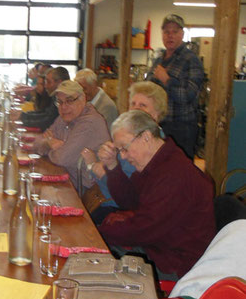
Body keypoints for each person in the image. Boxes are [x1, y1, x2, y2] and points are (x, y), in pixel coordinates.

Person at [97, 110, 215, 279]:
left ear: (146, 137)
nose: (122, 156)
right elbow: (129, 202)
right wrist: (112, 166)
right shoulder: (158, 164)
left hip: (176, 264)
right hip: (159, 247)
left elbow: (143, 230)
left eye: (124, 148)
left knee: (99, 258)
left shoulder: (174, 174)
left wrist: (99, 233)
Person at [80, 81, 168, 224]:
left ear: (156, 114)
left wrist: (94, 167)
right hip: (105, 203)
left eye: (142, 105)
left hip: (121, 212)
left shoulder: (151, 146)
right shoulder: (129, 137)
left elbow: (121, 193)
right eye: (133, 104)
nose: (135, 109)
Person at [32, 80, 110, 191]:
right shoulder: (65, 117)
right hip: (69, 181)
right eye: (60, 102)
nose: (63, 107)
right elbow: (36, 145)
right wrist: (49, 142)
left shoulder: (89, 122)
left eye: (69, 101)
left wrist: (51, 147)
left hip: (88, 193)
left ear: (83, 99)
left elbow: (62, 158)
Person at [147, 14, 205, 159]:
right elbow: (150, 89)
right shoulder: (159, 59)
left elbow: (187, 95)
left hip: (181, 128)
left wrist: (167, 80)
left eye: (175, 32)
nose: (170, 36)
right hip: (159, 124)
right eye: (166, 32)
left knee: (181, 172)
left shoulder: (191, 60)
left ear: (182, 34)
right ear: (162, 34)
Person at [20, 66, 70, 131]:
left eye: (48, 82)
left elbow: (47, 122)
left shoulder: (66, 99)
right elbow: (44, 113)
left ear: (59, 83)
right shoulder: (55, 96)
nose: (45, 86)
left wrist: (22, 118)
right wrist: (23, 116)